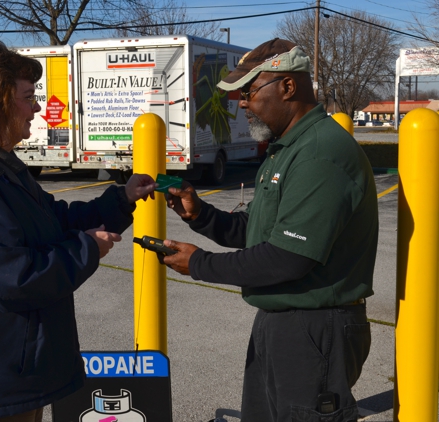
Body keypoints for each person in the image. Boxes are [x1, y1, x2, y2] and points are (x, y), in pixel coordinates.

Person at [162, 38, 378, 422]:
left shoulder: (319, 152)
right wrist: (202, 216)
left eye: (249, 91)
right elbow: (260, 232)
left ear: (288, 87)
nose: (241, 103)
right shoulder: (288, 148)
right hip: (284, 323)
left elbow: (289, 257)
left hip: (316, 329)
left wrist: (200, 265)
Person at [0, 38, 157, 421]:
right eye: (27, 96)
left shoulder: (2, 167)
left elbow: (56, 220)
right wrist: (86, 250)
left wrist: (122, 199)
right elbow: (10, 278)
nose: (36, 107)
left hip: (19, 377)